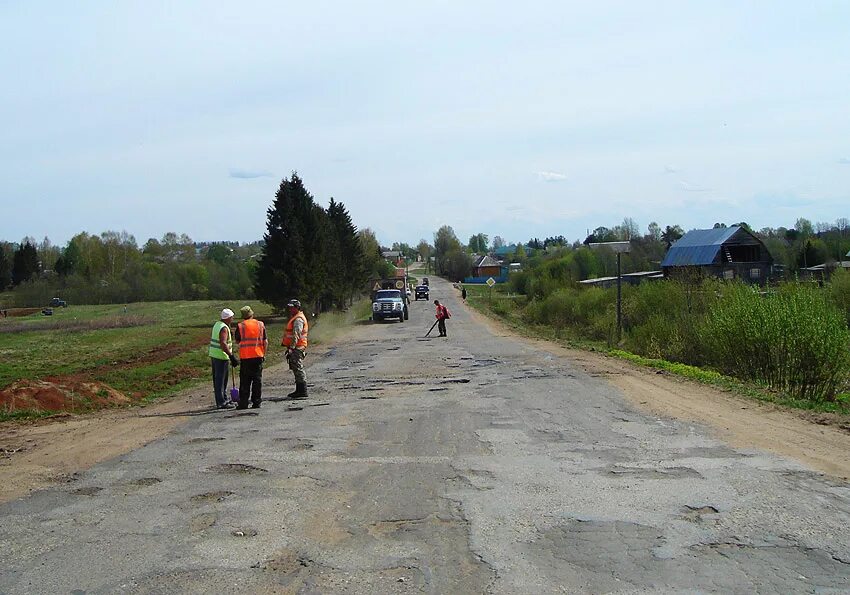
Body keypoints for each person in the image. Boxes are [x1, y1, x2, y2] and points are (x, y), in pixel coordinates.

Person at [234, 305, 267, 409]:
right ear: (252, 314)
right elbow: (265, 341)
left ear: (243, 316)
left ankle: (243, 403)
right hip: (258, 356)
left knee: (245, 381)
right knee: (257, 380)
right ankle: (256, 402)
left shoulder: (240, 326)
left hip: (246, 357)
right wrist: (263, 353)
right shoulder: (260, 324)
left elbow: (238, 341)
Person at [209, 308, 239, 409]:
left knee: (218, 380)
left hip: (215, 355)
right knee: (221, 381)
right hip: (221, 356)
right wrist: (231, 356)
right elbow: (223, 343)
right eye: (232, 317)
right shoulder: (224, 328)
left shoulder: (217, 325)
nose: (232, 319)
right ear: (228, 318)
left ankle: (223, 399)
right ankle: (222, 402)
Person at [282, 299, 310, 399]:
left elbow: (296, 335)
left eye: (292, 307)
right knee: (296, 367)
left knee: (298, 368)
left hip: (297, 347)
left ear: (297, 307)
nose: (290, 309)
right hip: (296, 347)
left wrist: (291, 348)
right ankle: (299, 390)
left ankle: (302, 390)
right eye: (289, 307)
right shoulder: (296, 317)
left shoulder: (298, 319)